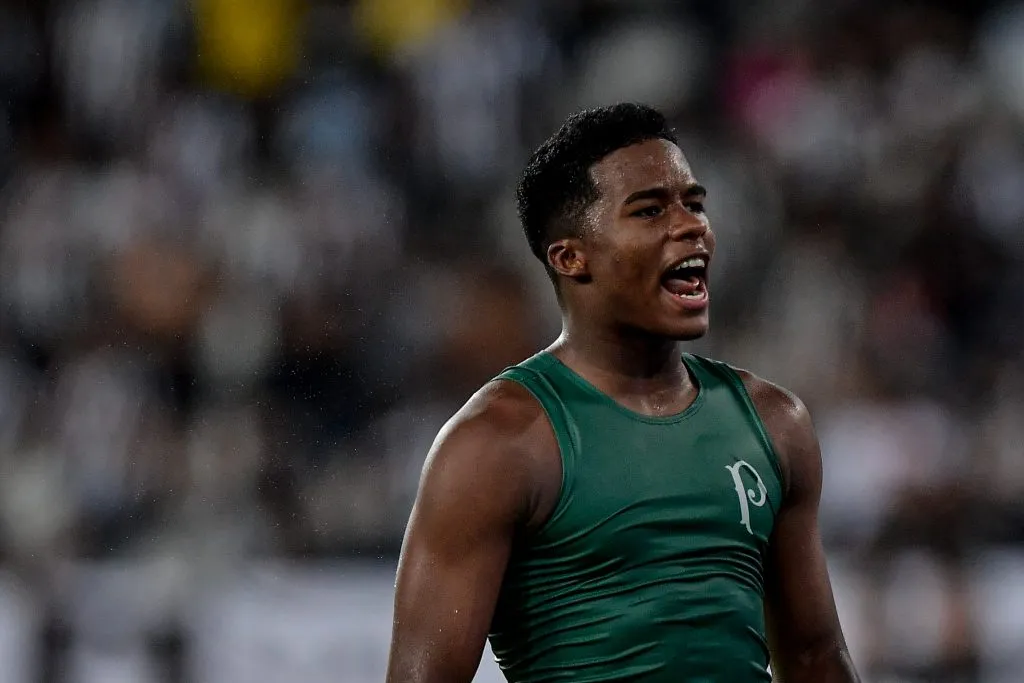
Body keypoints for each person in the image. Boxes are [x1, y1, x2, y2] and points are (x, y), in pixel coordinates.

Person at [386, 103, 861, 683]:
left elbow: (815, 656)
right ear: (570, 257)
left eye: (694, 203)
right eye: (651, 210)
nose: (691, 226)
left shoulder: (774, 423)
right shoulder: (497, 444)